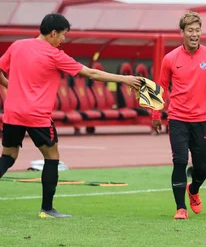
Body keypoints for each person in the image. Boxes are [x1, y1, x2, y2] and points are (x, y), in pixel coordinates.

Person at [0, 13, 141, 218]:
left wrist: (8, 86)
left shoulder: (17, 46)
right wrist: (125, 79)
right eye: (63, 35)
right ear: (53, 33)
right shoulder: (55, 55)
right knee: (52, 156)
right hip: (37, 115)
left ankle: (47, 208)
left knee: (8, 156)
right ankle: (47, 209)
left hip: (12, 112)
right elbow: (91, 74)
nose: (63, 40)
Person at [152, 12, 206, 220]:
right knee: (179, 161)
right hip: (177, 119)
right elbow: (160, 87)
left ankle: (194, 189)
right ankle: (181, 208)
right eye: (190, 30)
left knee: (202, 168)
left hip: (202, 121)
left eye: (197, 30)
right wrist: (156, 114)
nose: (194, 34)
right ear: (182, 33)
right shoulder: (170, 58)